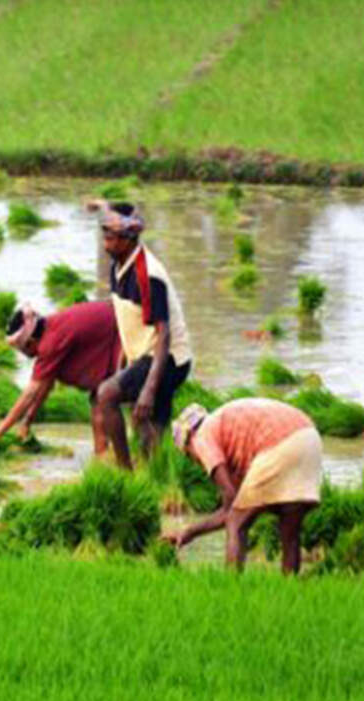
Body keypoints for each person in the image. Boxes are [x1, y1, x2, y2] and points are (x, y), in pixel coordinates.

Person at [164, 399, 322, 574]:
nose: (196, 461)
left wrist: (191, 532)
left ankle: (232, 586)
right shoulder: (227, 429)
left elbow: (230, 506)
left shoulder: (201, 436)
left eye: (190, 456)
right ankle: (291, 589)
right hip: (309, 437)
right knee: (289, 530)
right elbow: (233, 507)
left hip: (279, 443)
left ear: (188, 442)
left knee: (236, 524)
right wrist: (189, 533)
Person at [94, 202, 193, 468]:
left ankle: (125, 474)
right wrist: (121, 370)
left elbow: (164, 334)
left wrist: (148, 390)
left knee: (106, 395)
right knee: (150, 440)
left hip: (169, 358)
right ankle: (158, 477)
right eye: (104, 236)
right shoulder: (118, 266)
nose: (106, 244)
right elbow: (129, 322)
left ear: (129, 238)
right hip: (147, 355)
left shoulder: (148, 275)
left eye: (111, 238)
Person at [0, 301, 121, 454]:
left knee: (101, 402)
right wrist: (26, 422)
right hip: (108, 328)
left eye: (22, 349)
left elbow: (30, 394)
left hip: (121, 333)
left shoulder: (50, 344)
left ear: (30, 342)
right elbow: (45, 384)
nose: (24, 354)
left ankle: (113, 460)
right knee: (98, 402)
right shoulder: (51, 327)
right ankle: (103, 459)